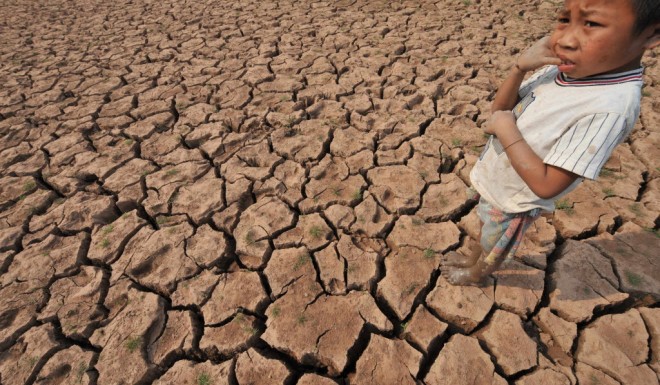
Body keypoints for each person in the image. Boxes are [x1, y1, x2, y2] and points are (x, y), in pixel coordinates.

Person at [443, 0, 660, 285]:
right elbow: (500, 110)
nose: (566, 39)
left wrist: (507, 129)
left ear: (651, 36)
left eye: (591, 24)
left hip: (515, 201)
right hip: (500, 184)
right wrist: (519, 67)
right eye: (564, 19)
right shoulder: (564, 69)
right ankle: (473, 259)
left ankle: (477, 274)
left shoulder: (609, 108)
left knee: (494, 242)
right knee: (486, 228)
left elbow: (547, 186)